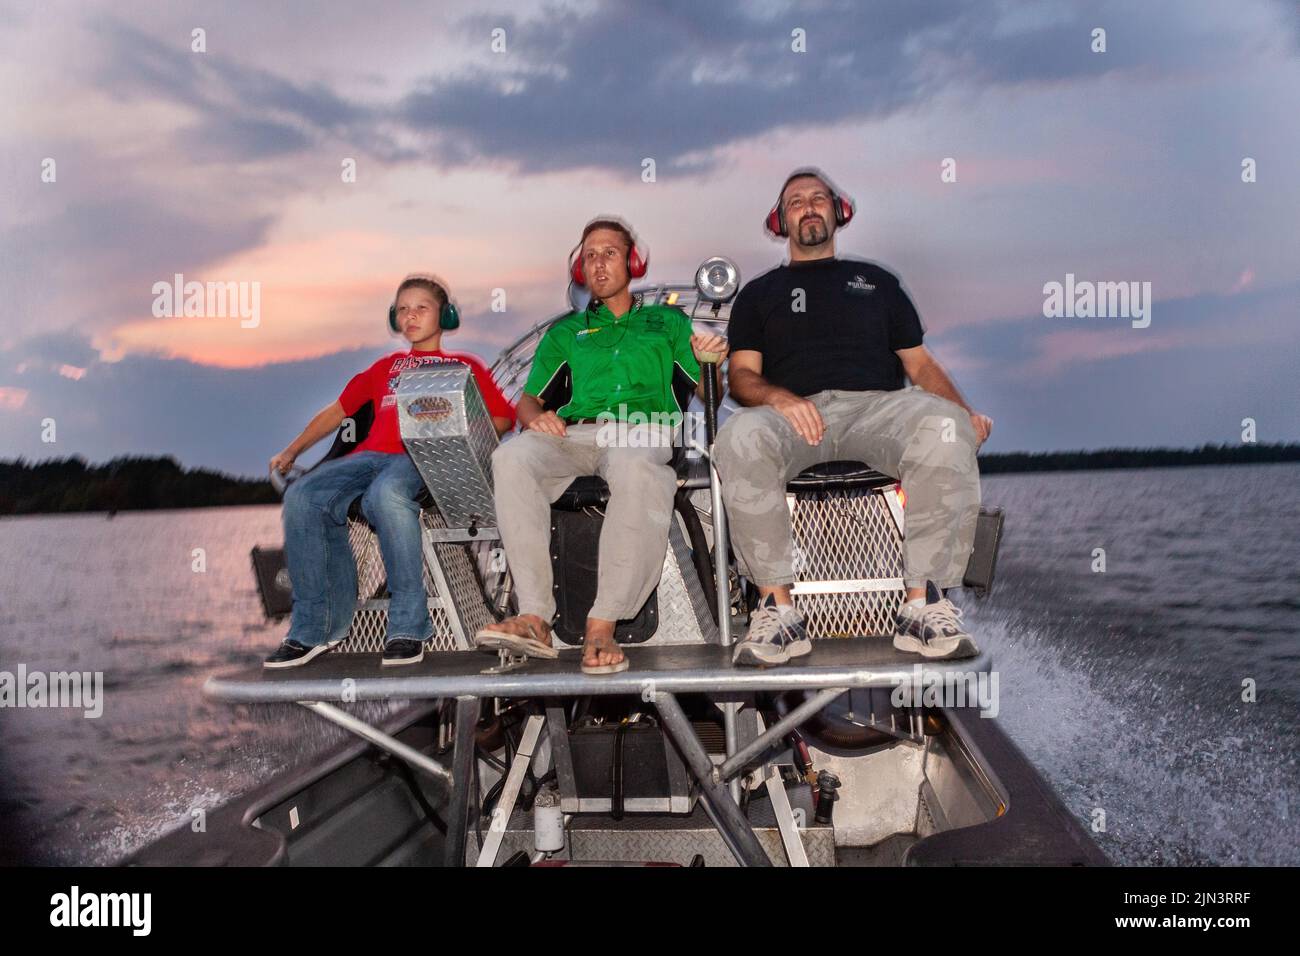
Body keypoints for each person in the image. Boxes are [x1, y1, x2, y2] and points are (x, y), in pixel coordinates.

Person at [718, 169, 992, 666]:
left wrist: (966, 415)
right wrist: (779, 399)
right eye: (795, 201)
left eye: (818, 198)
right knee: (739, 434)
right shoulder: (759, 295)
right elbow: (739, 377)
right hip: (792, 417)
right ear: (781, 221)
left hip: (877, 410)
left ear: (838, 212)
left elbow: (921, 365)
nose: (808, 207)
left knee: (947, 427)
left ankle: (923, 606)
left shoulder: (879, 283)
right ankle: (778, 611)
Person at [477, 218, 727, 674]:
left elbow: (714, 395)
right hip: (575, 435)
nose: (598, 262)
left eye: (609, 252)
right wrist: (536, 419)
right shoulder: (563, 333)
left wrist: (713, 362)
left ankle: (601, 623)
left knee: (635, 467)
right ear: (579, 268)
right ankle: (535, 615)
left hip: (641, 430)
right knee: (510, 456)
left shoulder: (667, 322)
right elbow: (528, 401)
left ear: (632, 262)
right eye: (589, 255)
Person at [264, 274, 515, 668]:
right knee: (303, 496)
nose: (410, 316)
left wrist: (460, 434)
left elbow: (501, 418)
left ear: (444, 315)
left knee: (385, 495)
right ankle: (313, 629)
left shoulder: (463, 366)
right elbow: (336, 412)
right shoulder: (385, 368)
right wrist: (292, 450)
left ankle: (407, 629)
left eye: (421, 308)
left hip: (422, 456)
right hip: (369, 457)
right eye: (402, 309)